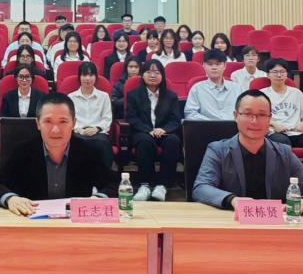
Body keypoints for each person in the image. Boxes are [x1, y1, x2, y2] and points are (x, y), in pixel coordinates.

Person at [193, 90, 303, 213]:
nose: (254, 121)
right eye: (247, 113)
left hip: (275, 225)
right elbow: (201, 188)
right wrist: (232, 200)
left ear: (270, 118)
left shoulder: (284, 153)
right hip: (233, 224)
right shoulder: (218, 150)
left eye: (262, 115)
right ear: (235, 116)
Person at [0, 93, 117, 216]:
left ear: (74, 123)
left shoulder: (89, 151)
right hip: (32, 222)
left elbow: (114, 185)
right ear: (38, 123)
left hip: (74, 224)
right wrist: (10, 199)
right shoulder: (23, 151)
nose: (55, 130)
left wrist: (98, 199)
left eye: (63, 121)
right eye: (48, 121)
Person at [126, 60, 182, 202]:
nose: (152, 75)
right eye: (148, 72)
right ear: (142, 75)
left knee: (173, 141)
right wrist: (148, 131)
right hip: (142, 132)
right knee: (145, 141)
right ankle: (145, 185)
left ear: (162, 76)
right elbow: (132, 118)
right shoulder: (133, 95)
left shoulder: (171, 96)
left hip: (164, 132)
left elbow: (175, 119)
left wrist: (163, 129)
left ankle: (162, 185)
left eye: (157, 72)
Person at [260, 58, 303, 148]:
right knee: (283, 142)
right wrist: (274, 124)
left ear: (286, 74)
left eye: (282, 72)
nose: (279, 75)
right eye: (275, 72)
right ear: (268, 75)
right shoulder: (262, 94)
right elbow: (258, 115)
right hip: (275, 133)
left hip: (297, 133)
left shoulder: (296, 93)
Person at [69, 62, 115, 169]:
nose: (87, 78)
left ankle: (104, 177)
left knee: (102, 144)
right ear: (79, 77)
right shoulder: (71, 97)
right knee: (75, 144)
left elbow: (107, 118)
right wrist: (78, 129)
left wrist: (97, 129)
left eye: (91, 75)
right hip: (78, 132)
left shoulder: (104, 96)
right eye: (84, 75)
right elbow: (69, 119)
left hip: (98, 133)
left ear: (96, 77)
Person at [184, 49, 243, 121]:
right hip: (206, 126)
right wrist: (211, 123)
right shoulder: (197, 89)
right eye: (210, 64)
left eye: (218, 64)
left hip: (234, 126)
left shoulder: (237, 88)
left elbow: (245, 112)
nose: (214, 67)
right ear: (204, 65)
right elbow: (190, 113)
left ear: (224, 65)